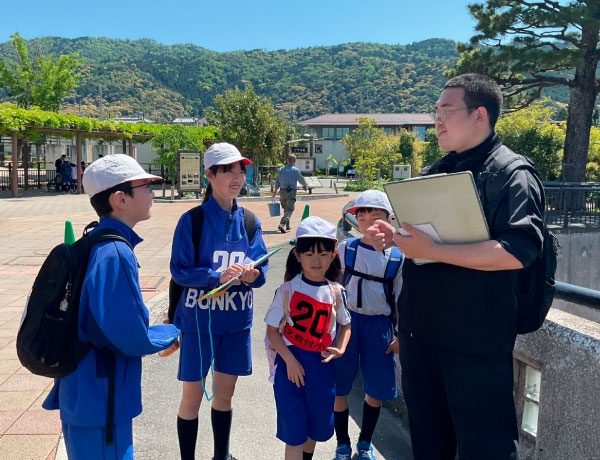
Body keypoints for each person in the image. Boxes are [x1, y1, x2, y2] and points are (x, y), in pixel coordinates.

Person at [368, 74, 544, 460]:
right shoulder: (437, 170)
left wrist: (435, 249)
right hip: (421, 337)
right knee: (428, 447)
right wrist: (396, 237)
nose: (438, 121)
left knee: (487, 449)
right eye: (436, 112)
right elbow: (426, 242)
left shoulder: (512, 173)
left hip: (476, 343)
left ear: (480, 115)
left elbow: (518, 251)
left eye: (446, 111)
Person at [42, 154, 180, 459]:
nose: (152, 194)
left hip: (84, 388)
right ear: (121, 199)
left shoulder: (95, 241)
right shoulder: (116, 252)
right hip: (103, 393)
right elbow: (126, 333)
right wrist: (170, 333)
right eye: (146, 187)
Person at [170, 142, 269, 460]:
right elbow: (180, 271)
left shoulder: (250, 221)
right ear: (209, 175)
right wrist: (217, 276)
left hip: (236, 323)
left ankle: (221, 456)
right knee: (192, 398)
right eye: (227, 170)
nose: (237, 176)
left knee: (225, 396)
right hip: (198, 323)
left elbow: (262, 270)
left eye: (241, 169)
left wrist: (252, 276)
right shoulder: (192, 220)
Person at [265, 216, 352, 460]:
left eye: (323, 254)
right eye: (310, 253)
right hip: (290, 369)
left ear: (333, 255)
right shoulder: (287, 290)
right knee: (294, 434)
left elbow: (346, 325)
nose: (317, 260)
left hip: (322, 369)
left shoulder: (336, 291)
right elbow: (272, 331)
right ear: (298, 255)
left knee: (315, 428)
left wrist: (340, 348)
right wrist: (289, 360)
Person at [332, 190, 404, 460]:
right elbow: (332, 287)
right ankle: (342, 444)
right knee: (339, 386)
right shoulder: (346, 249)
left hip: (380, 326)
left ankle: (365, 442)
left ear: (388, 218)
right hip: (347, 323)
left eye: (375, 215)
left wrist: (399, 335)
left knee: (376, 390)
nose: (367, 221)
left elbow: (401, 299)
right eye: (361, 216)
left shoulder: (398, 256)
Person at [272, 154, 308, 233]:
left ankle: (287, 226)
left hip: (282, 191)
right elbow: (301, 179)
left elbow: (277, 181)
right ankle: (282, 224)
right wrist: (305, 186)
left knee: (286, 207)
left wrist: (275, 192)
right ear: (294, 162)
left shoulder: (281, 170)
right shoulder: (295, 170)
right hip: (291, 192)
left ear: (287, 161)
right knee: (290, 209)